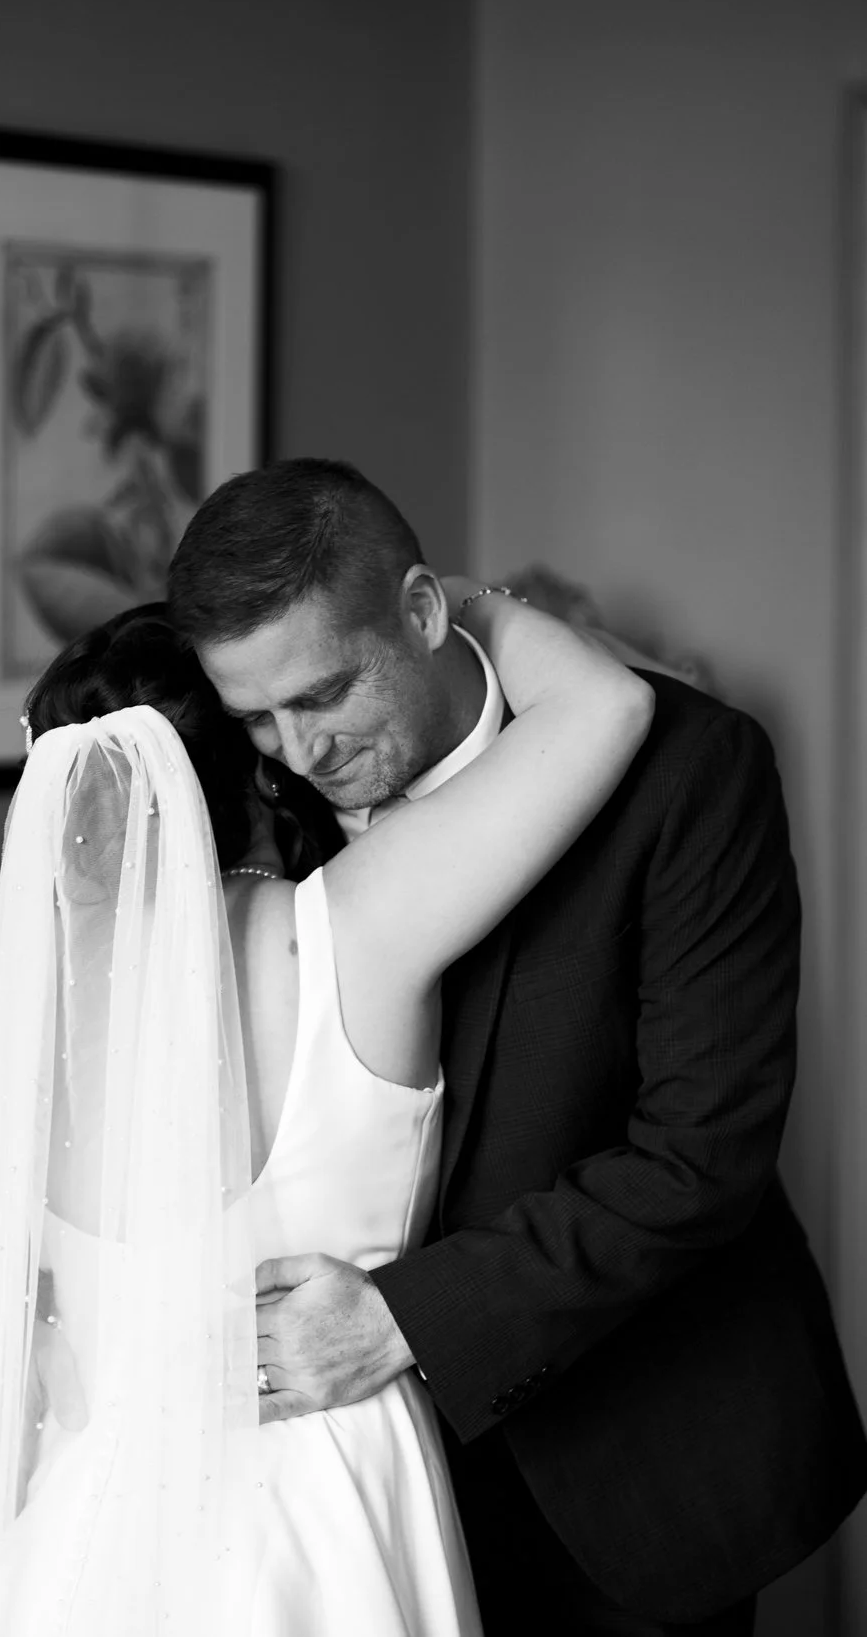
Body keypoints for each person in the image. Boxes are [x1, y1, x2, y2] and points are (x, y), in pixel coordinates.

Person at [165, 457, 867, 1637]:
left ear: (427, 612)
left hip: (633, 1458)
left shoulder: (691, 772)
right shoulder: (235, 802)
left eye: (328, 693)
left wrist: (399, 1319)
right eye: (255, 715)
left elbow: (699, 1158)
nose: (296, 751)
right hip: (356, 1499)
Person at [0, 575, 654, 1635]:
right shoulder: (353, 929)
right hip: (319, 1498)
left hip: (95, 1517)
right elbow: (605, 707)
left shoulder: (43, 1009)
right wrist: (444, 600)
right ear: (256, 757)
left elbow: (56, 1335)